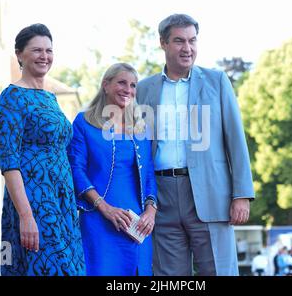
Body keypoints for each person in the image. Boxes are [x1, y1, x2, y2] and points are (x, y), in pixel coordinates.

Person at [136, 14, 255, 276]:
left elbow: (236, 140)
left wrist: (242, 194)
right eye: (179, 41)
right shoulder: (143, 89)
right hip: (161, 198)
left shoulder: (217, 82)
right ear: (163, 43)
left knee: (218, 272)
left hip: (211, 195)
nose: (187, 48)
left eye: (192, 41)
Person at [0, 24, 85, 275]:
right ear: (19, 54)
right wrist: (26, 215)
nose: (44, 56)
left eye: (49, 50)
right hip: (35, 200)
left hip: (62, 201)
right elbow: (9, 162)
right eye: (36, 50)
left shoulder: (51, 99)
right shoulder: (12, 97)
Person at [67, 63, 157, 276]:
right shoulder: (84, 122)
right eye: (122, 83)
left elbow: (149, 175)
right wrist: (105, 208)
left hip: (137, 227)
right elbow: (75, 169)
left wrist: (151, 212)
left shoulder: (140, 129)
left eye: (133, 85)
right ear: (106, 85)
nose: (128, 89)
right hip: (98, 221)